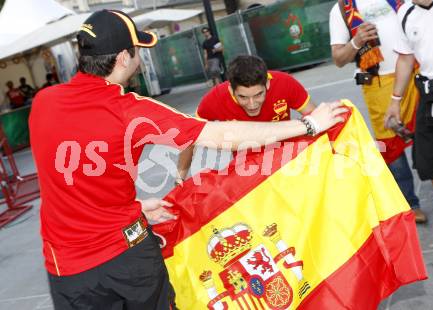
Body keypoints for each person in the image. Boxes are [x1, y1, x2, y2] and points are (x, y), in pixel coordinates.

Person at [29, 10, 346, 310]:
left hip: (66, 270)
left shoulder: (43, 103)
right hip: (127, 259)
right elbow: (215, 136)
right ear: (124, 57)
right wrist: (308, 124)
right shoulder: (129, 109)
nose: (140, 60)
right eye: (138, 51)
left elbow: (71, 181)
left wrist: (135, 208)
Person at [329, 0, 426, 223]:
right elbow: (338, 59)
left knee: (430, 133)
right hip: (378, 84)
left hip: (418, 73)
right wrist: (356, 41)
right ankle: (409, 204)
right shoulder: (342, 10)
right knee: (391, 149)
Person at [176, 55, 317, 183]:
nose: (252, 104)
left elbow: (315, 117)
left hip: (289, 162)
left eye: (258, 95)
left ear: (267, 84)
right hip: (248, 174)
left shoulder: (285, 83)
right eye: (243, 97)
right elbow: (190, 137)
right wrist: (179, 179)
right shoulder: (215, 98)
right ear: (231, 90)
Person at [384, 0, 433, 245]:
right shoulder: (405, 13)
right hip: (430, 93)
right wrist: (395, 101)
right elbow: (406, 59)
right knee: (430, 159)